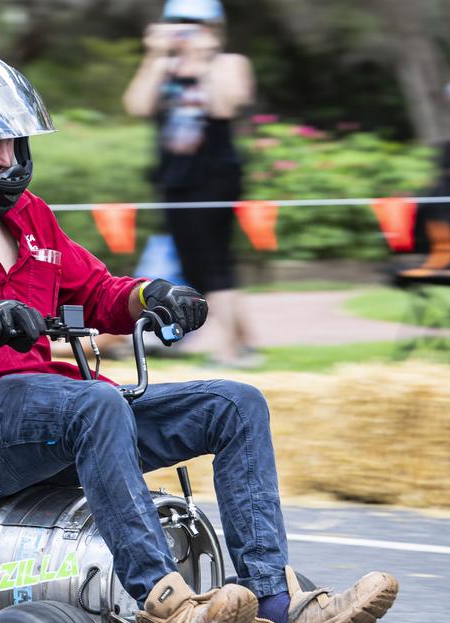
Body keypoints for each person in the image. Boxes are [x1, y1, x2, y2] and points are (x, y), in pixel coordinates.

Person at [0, 49, 398, 623]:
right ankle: (165, 606)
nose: (7, 158)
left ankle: (279, 608)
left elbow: (97, 292)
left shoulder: (28, 216)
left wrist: (154, 296)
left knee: (236, 404)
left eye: (13, 142)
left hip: (60, 412)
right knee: (96, 403)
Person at [122, 0, 260, 368]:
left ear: (213, 29)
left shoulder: (229, 63)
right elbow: (136, 105)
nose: (183, 32)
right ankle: (246, 343)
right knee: (196, 265)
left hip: (214, 176)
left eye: (193, 25)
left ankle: (229, 351)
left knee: (215, 263)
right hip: (175, 177)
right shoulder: (165, 65)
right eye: (177, 24)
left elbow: (224, 107)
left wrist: (202, 62)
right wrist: (154, 57)